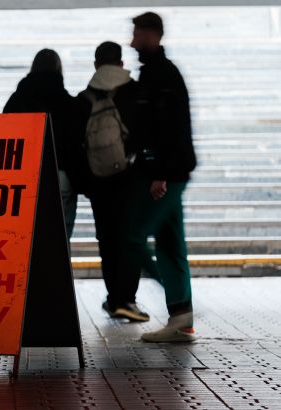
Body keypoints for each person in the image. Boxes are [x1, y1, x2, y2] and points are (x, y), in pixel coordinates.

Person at [123, 12, 198, 341]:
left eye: (137, 35)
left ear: (152, 35)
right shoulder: (155, 73)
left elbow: (168, 130)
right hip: (168, 171)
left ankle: (182, 312)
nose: (132, 42)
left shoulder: (162, 75)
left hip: (167, 173)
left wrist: (160, 174)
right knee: (170, 243)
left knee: (133, 237)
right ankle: (182, 320)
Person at [75, 41, 150, 322]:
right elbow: (146, 135)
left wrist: (86, 183)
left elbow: (75, 145)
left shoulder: (84, 99)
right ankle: (126, 299)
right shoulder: (135, 92)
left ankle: (114, 297)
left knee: (107, 239)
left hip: (99, 182)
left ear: (96, 64)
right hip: (131, 178)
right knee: (130, 237)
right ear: (120, 63)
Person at [3, 49, 81, 241]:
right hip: (60, 175)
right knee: (60, 238)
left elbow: (5, 138)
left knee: (25, 237)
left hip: (24, 177)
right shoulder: (68, 103)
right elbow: (75, 145)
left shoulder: (16, 101)